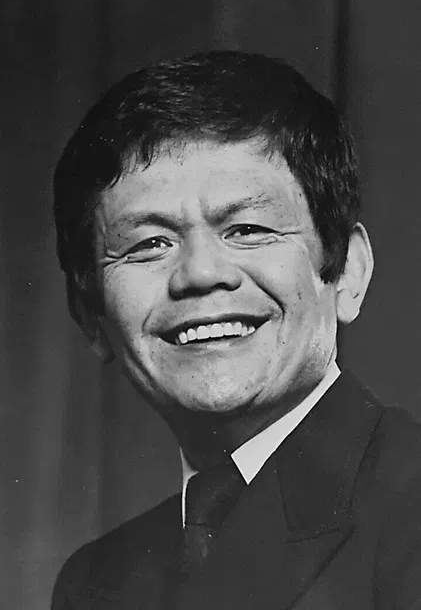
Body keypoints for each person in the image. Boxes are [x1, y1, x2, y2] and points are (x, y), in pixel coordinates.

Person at [51, 51, 421, 610]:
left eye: (247, 229)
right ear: (89, 315)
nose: (200, 274)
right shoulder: (95, 583)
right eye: (149, 243)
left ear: (347, 272)